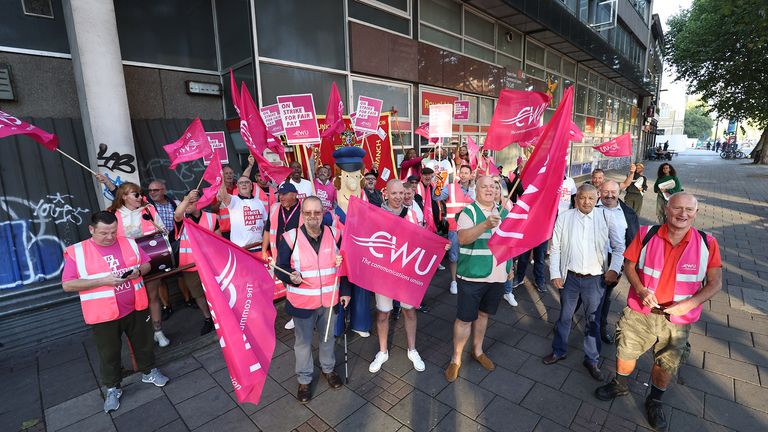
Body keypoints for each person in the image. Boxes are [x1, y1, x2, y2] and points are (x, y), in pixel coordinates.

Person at [595, 193, 722, 431]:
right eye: (677, 208)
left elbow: (715, 283)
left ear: (695, 213)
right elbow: (629, 265)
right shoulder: (646, 234)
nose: (683, 214)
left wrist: (689, 304)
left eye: (689, 210)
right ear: (666, 209)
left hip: (677, 321)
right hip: (639, 313)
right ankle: (620, 384)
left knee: (666, 365)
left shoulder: (708, 243)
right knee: (625, 353)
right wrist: (641, 289)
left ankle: (654, 400)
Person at [61, 211, 169, 413]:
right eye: (103, 233)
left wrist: (138, 271)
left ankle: (149, 371)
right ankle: (113, 387)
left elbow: (146, 264)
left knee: (143, 343)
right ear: (91, 230)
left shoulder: (128, 242)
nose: (110, 237)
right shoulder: (78, 252)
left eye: (113, 231)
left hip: (135, 306)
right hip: (103, 314)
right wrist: (103, 281)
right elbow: (68, 285)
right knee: (108, 352)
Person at [543, 184, 624, 382]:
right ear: (575, 198)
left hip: (595, 280)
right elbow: (556, 248)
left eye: (590, 198)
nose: (586, 202)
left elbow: (619, 246)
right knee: (564, 316)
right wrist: (555, 273)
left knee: (593, 321)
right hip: (570, 278)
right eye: (582, 198)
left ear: (597, 198)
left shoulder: (606, 217)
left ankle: (592, 359)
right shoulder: (565, 217)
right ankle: (559, 350)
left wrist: (613, 269)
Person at [276, 196, 349, 403]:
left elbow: (344, 267)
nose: (312, 217)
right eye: (307, 213)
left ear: (323, 213)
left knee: (327, 339)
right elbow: (279, 268)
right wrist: (290, 276)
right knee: (303, 344)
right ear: (302, 215)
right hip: (302, 303)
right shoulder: (290, 238)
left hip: (330, 300)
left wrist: (345, 291)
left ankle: (328, 369)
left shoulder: (335, 234)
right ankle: (304, 379)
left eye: (317, 212)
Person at [445, 175, 512, 382]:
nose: (490, 190)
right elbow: (463, 239)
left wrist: (510, 267)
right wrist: (484, 225)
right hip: (472, 276)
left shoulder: (504, 212)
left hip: (497, 276)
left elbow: (510, 243)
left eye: (493, 187)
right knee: (464, 319)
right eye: (485, 186)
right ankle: (456, 359)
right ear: (476, 189)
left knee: (483, 315)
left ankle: (478, 350)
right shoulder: (468, 212)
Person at [369, 180, 433, 375]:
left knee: (409, 311)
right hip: (384, 273)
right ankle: (382, 351)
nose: (398, 197)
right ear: (386, 194)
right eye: (394, 193)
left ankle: (412, 350)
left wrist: (438, 246)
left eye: (401, 193)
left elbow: (421, 240)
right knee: (383, 313)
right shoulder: (376, 215)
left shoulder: (412, 214)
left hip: (406, 273)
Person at [107, 182, 170, 347]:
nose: (141, 197)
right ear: (124, 196)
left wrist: (161, 231)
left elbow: (162, 231)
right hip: (127, 263)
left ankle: (158, 331)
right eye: (136, 194)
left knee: (153, 296)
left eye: (141, 194)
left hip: (150, 259)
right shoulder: (112, 214)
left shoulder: (149, 209)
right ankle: (140, 337)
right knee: (133, 301)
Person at [330, 147, 373, 338]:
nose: (353, 184)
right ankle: (338, 324)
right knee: (340, 290)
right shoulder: (332, 214)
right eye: (348, 178)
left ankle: (360, 323)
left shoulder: (366, 209)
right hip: (340, 259)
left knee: (362, 291)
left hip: (360, 258)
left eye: (356, 177)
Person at [595, 180, 638, 344]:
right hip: (589, 257)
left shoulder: (628, 214)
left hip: (614, 259)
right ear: (600, 191)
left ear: (619, 192)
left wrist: (624, 266)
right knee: (578, 295)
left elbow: (632, 241)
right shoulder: (589, 206)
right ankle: (566, 323)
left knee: (605, 297)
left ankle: (600, 327)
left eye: (613, 192)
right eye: (606, 191)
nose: (609, 195)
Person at [172, 190, 218, 335]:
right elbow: (177, 214)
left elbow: (219, 241)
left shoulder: (212, 217)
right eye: (186, 201)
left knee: (215, 292)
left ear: (201, 202)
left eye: (192, 201)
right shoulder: (182, 220)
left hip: (211, 264)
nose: (188, 204)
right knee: (198, 294)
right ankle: (207, 318)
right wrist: (186, 199)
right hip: (190, 265)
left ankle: (219, 317)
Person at [145, 180, 186, 319]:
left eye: (155, 190)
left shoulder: (175, 203)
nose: (152, 193)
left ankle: (188, 299)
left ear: (163, 190)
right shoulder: (148, 207)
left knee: (181, 272)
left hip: (175, 239)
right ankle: (166, 306)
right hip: (157, 243)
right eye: (150, 190)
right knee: (160, 278)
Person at [445, 165, 475, 295]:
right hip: (454, 228)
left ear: (470, 175)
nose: (463, 175)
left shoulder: (474, 189)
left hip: (470, 228)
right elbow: (437, 196)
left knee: (469, 255)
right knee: (454, 256)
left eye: (466, 173)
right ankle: (453, 281)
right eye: (461, 172)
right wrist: (438, 184)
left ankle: (466, 279)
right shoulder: (450, 188)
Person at [218, 176, 267, 251]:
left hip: (259, 247)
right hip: (241, 249)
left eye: (247, 182)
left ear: (251, 186)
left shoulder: (259, 202)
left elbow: (265, 224)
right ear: (237, 187)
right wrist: (221, 177)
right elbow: (224, 196)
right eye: (241, 183)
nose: (244, 184)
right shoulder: (234, 200)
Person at [414, 167, 448, 233]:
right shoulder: (418, 187)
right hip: (424, 218)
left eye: (429, 175)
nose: (428, 177)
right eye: (425, 175)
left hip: (435, 218)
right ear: (421, 175)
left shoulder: (433, 185)